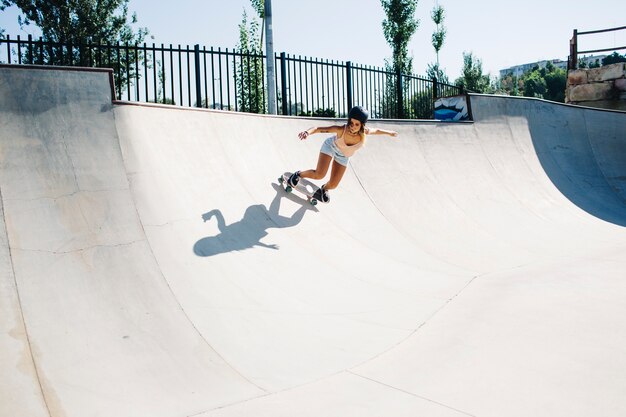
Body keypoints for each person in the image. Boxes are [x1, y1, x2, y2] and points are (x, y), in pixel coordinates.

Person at [288, 106, 398, 203]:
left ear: (362, 125)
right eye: (351, 122)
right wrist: (307, 133)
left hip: (343, 156)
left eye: (356, 124)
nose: (352, 126)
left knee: (333, 185)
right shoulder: (341, 129)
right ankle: (298, 175)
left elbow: (377, 130)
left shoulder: (365, 133)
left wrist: (389, 133)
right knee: (320, 174)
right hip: (330, 147)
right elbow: (318, 129)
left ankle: (324, 189)